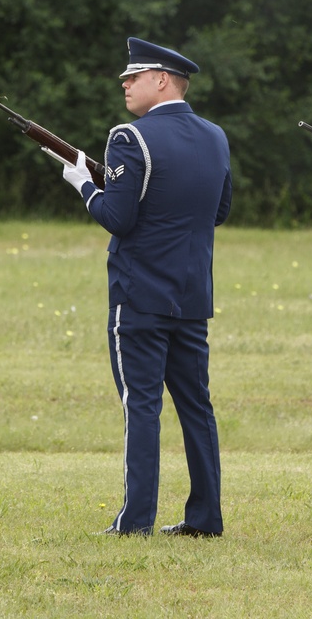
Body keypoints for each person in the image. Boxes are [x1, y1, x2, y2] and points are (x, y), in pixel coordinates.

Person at [61, 37, 232, 537]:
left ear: (162, 80)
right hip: (192, 294)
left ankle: (136, 521)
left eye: (133, 77)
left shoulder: (129, 138)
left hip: (140, 296)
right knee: (196, 407)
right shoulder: (216, 136)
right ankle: (206, 517)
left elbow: (118, 217)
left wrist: (84, 185)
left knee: (142, 406)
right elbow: (219, 211)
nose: (125, 85)